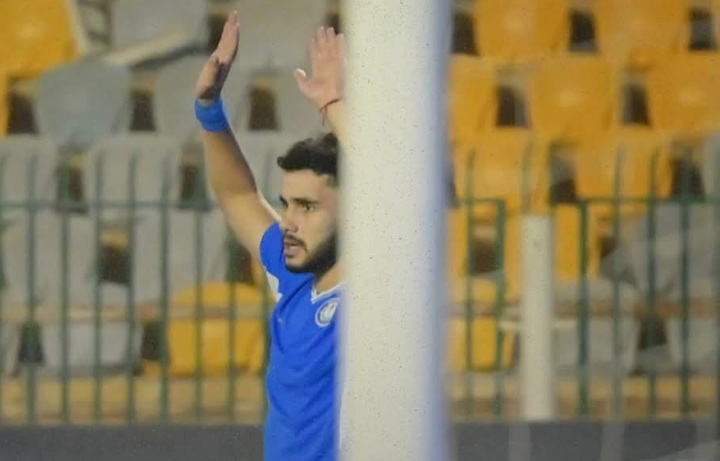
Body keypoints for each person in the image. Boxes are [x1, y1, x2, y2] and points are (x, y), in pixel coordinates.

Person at [193, 11, 346, 461]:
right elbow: (238, 195)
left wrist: (334, 106)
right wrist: (209, 108)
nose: (289, 221)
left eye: (308, 206)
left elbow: (393, 189)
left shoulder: (376, 292)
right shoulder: (294, 273)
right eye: (287, 204)